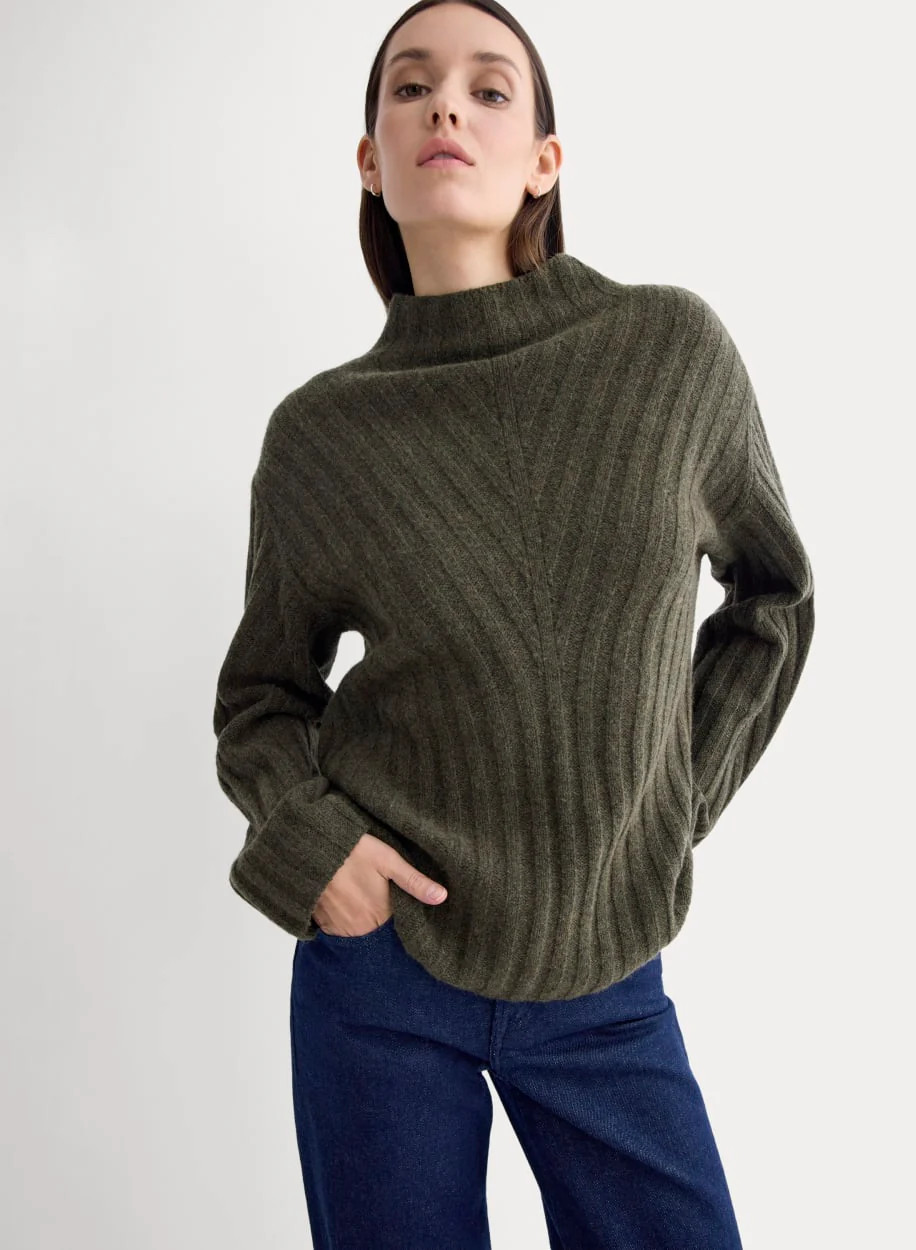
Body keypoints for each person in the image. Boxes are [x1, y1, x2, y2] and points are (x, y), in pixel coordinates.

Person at [211, 2, 816, 1247]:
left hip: (606, 961)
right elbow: (262, 696)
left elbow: (774, 595)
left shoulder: (665, 352)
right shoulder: (323, 433)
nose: (446, 103)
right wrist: (315, 846)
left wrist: (674, 797)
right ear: (370, 160)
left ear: (545, 159)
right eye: (410, 86)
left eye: (489, 89)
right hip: (383, 969)